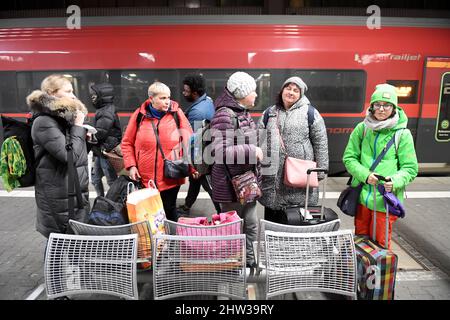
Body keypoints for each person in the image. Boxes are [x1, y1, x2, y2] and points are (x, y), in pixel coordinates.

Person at [342, 83, 418, 249]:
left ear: (394, 107)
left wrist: (395, 181)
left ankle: (380, 275)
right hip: (362, 197)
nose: (382, 109)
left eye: (387, 105)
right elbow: (349, 158)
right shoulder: (362, 129)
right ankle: (362, 274)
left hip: (384, 202)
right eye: (378, 104)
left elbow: (410, 169)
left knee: (380, 247)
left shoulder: (402, 135)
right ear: (371, 107)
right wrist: (365, 175)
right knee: (360, 244)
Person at [257, 76, 329, 223]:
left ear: (301, 94)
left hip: (299, 176)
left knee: (296, 219)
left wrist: (320, 172)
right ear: (282, 90)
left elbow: (321, 143)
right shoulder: (269, 113)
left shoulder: (311, 113)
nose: (291, 92)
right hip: (272, 176)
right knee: (272, 219)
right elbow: (259, 138)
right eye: (288, 88)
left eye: (296, 90)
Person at [26, 74, 90, 238]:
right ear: (51, 93)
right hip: (58, 195)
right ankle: (56, 265)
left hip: (72, 191)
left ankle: (72, 264)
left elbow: (79, 154)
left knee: (72, 242)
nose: (73, 96)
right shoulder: (44, 122)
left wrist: (86, 138)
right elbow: (71, 157)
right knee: (58, 243)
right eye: (68, 91)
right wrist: (78, 128)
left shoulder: (62, 119)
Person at [210, 71, 263, 268]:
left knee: (251, 224)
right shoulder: (224, 115)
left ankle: (249, 262)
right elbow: (220, 151)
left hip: (245, 182)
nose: (256, 95)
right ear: (242, 93)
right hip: (229, 185)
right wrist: (252, 151)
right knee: (232, 228)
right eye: (253, 91)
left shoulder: (242, 112)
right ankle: (232, 265)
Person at [122, 81, 195, 221]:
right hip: (145, 177)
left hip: (171, 175)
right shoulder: (139, 116)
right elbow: (127, 143)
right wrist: (131, 166)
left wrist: (193, 167)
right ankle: (154, 242)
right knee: (148, 213)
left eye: (168, 97)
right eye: (162, 98)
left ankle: (171, 241)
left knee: (169, 210)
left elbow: (189, 142)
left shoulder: (176, 114)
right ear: (151, 99)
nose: (167, 101)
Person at [177, 73, 222, 215]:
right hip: (207, 152)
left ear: (195, 93)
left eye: (186, 91)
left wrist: (193, 165)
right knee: (195, 182)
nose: (183, 93)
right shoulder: (207, 100)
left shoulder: (197, 112)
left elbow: (193, 142)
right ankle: (187, 205)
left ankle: (223, 214)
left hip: (202, 157)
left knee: (209, 187)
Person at [89, 82, 122, 197]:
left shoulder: (106, 111)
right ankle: (101, 200)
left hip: (106, 150)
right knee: (95, 178)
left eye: (94, 96)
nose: (92, 99)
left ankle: (115, 203)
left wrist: (87, 135)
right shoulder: (104, 109)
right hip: (100, 151)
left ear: (102, 97)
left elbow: (100, 133)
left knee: (111, 180)